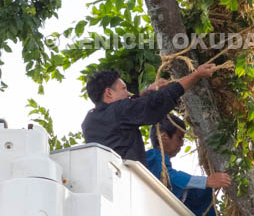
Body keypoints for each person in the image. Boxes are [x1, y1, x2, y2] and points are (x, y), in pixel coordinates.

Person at [81, 63, 218, 165]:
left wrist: (146, 92)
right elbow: (156, 103)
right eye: (124, 89)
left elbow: (129, 107)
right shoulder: (119, 111)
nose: (127, 94)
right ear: (109, 93)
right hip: (127, 179)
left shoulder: (89, 120)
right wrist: (196, 75)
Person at [145, 113, 231, 216]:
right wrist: (207, 181)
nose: (181, 144)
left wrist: (211, 186)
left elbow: (190, 197)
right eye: (179, 138)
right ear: (164, 137)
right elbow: (169, 178)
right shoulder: (153, 156)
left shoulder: (159, 161)